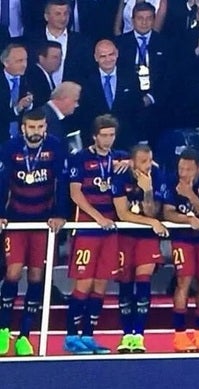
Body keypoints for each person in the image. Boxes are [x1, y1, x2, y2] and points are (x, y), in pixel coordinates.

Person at [0, 108, 67, 356]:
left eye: (40, 127)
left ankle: (25, 336)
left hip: (42, 222)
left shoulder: (56, 147)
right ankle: (3, 330)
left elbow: (61, 183)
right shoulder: (9, 148)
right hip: (17, 221)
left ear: (45, 127)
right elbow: (1, 182)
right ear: (23, 128)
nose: (36, 132)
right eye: (32, 127)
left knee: (37, 277)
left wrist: (60, 213)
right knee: (14, 272)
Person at [66, 114, 126, 354]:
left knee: (101, 284)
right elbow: (75, 194)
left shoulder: (118, 158)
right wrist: (97, 217)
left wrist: (131, 162)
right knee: (84, 283)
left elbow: (142, 162)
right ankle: (71, 336)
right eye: (104, 135)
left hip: (109, 231)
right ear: (94, 136)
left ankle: (89, 337)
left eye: (112, 135)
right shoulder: (80, 158)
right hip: (88, 229)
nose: (108, 140)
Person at [112, 144, 168, 353]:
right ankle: (126, 335)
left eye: (149, 160)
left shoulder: (158, 175)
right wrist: (150, 222)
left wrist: (148, 190)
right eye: (143, 162)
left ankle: (139, 335)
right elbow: (122, 214)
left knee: (143, 282)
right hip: (124, 238)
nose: (147, 166)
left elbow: (153, 212)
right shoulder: (120, 176)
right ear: (132, 162)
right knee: (125, 286)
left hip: (146, 239)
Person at [162, 148, 199, 352]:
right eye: (181, 168)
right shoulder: (171, 179)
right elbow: (167, 213)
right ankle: (179, 335)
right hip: (182, 239)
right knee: (183, 281)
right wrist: (188, 219)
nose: (183, 173)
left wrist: (190, 195)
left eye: (188, 169)